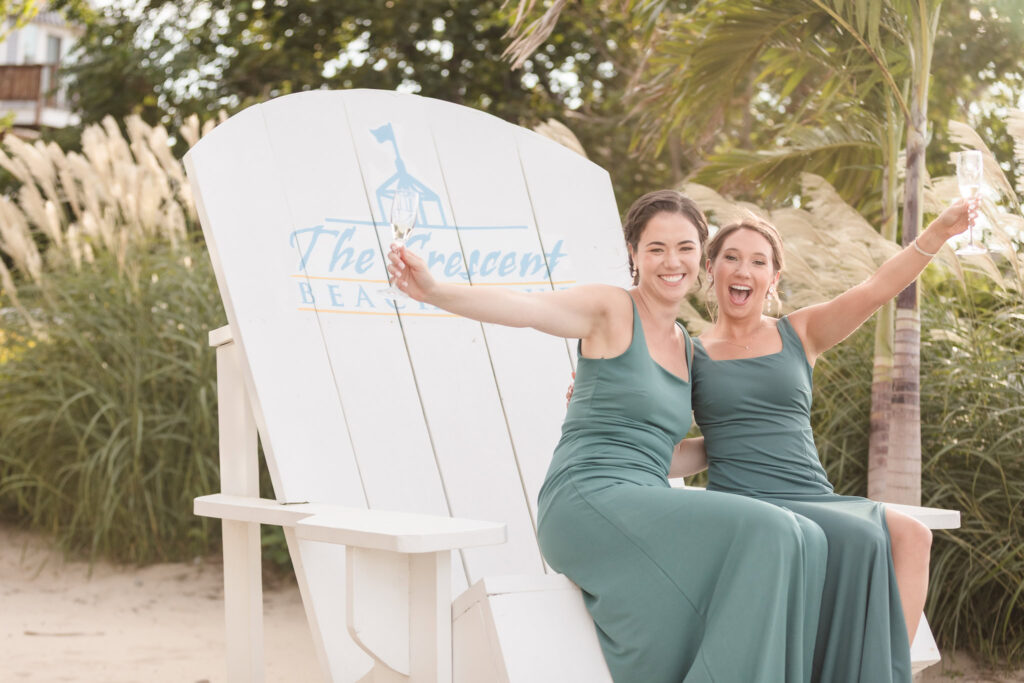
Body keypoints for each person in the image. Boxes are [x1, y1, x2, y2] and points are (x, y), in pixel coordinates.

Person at [388, 190, 827, 683]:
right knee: (774, 529)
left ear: (701, 259)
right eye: (655, 248)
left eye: (684, 248)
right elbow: (527, 307)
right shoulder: (611, 309)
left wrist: (752, 438)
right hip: (587, 498)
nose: (670, 261)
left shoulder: (687, 347)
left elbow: (666, 456)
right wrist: (436, 291)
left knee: (807, 534)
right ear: (634, 255)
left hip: (645, 496)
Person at [690, 200, 972, 683]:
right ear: (711, 268)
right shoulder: (689, 352)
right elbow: (656, 423)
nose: (744, 270)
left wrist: (938, 233)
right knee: (862, 537)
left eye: (759, 261)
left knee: (913, 536)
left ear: (774, 279)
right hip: (749, 503)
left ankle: (885, 675)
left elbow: (876, 289)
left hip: (812, 493)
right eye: (732, 257)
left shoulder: (798, 333)